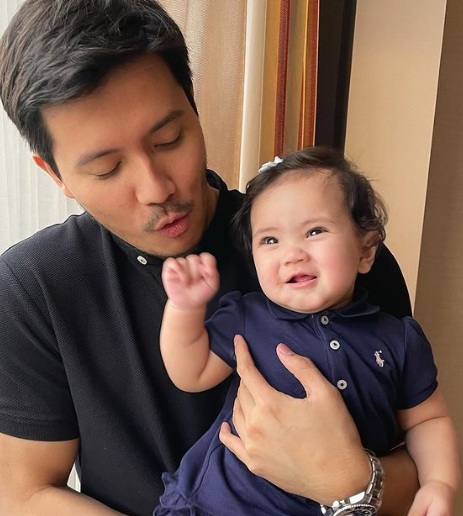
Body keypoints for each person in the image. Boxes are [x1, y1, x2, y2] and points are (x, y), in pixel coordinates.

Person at [0, 1, 420, 516]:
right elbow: (23, 492)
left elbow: (420, 464)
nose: (156, 188)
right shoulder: (34, 286)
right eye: (108, 169)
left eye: (169, 139)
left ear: (193, 106)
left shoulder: (329, 253)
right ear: (55, 174)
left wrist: (346, 480)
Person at [157, 147, 460, 516]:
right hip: (216, 505)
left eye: (314, 231)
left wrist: (439, 483)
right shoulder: (247, 317)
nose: (292, 254)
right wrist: (185, 307)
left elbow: (428, 420)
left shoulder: (399, 340)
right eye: (270, 240)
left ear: (366, 251)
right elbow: (190, 373)